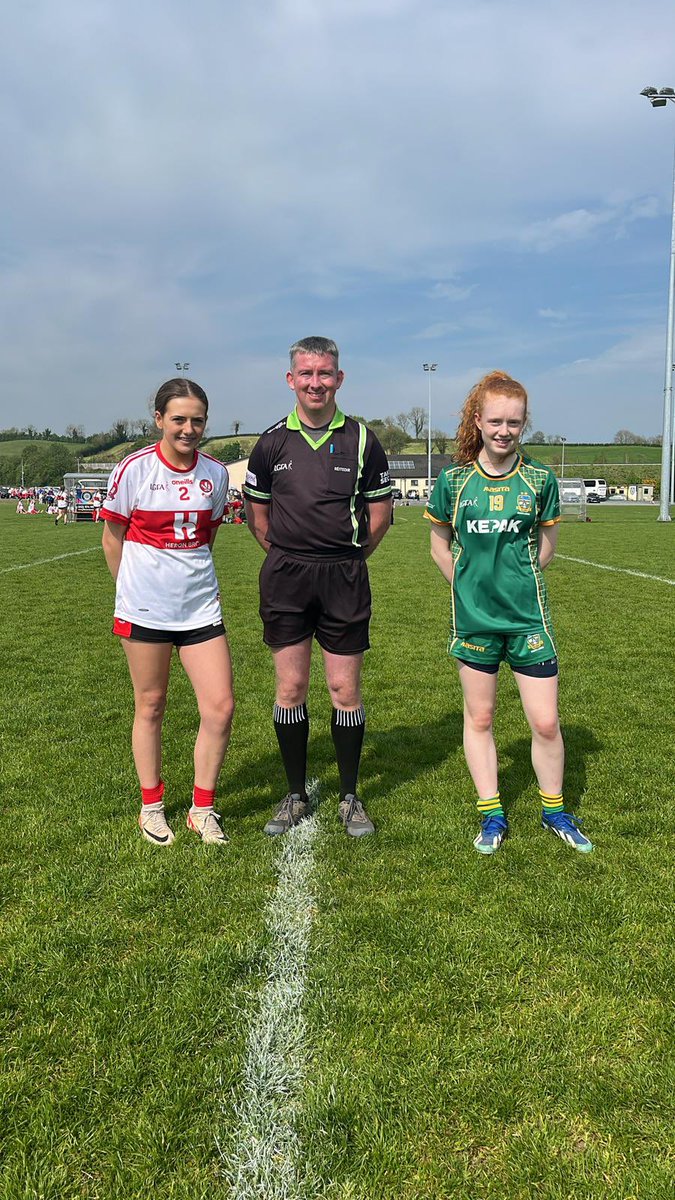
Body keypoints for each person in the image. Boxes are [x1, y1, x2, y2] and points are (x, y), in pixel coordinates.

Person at [425, 370, 593, 855]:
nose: (504, 430)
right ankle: (492, 815)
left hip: (528, 620)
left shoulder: (539, 479)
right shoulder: (454, 481)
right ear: (478, 421)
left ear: (524, 425)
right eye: (495, 420)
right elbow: (440, 546)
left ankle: (555, 810)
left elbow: (547, 548)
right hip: (474, 621)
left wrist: (513, 583)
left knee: (544, 722)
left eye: (514, 422)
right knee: (480, 718)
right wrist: (470, 589)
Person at [244, 336, 392, 837]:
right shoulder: (270, 443)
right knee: (291, 687)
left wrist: (346, 557)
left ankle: (350, 796)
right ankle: (295, 794)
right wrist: (290, 556)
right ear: (291, 379)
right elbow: (257, 516)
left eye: (324, 373)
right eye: (306, 373)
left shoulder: (363, 440)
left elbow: (380, 515)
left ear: (339, 378)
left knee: (343, 689)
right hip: (286, 575)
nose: (315, 382)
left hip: (344, 575)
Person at [101, 378, 234, 847]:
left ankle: (202, 809)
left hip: (200, 607)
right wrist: (133, 593)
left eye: (197, 420)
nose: (188, 428)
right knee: (151, 705)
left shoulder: (217, 475)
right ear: (159, 419)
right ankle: (152, 807)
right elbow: (112, 538)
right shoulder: (134, 469)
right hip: (144, 609)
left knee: (220, 707)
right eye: (178, 419)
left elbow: (207, 537)